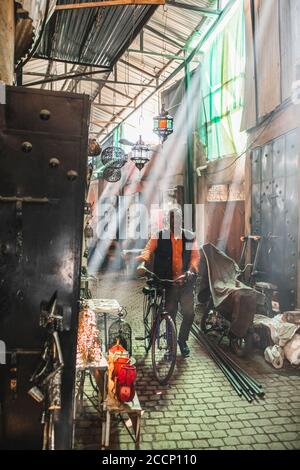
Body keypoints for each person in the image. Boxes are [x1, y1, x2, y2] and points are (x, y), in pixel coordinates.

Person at [137, 208, 200, 357]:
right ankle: (171, 348)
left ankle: (182, 341)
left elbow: (195, 256)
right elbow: (147, 250)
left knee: (189, 314)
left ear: (182, 220)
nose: (174, 221)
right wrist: (142, 263)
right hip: (167, 282)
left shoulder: (190, 237)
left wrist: (191, 270)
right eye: (172, 218)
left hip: (185, 282)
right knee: (170, 314)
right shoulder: (159, 236)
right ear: (168, 220)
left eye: (177, 218)